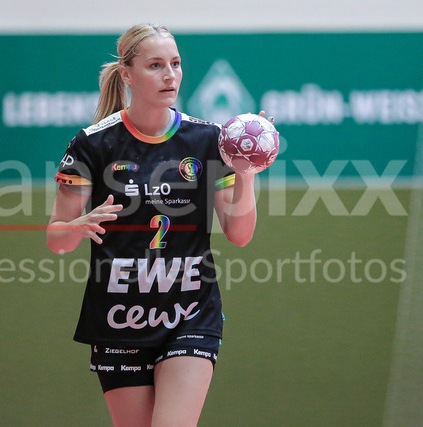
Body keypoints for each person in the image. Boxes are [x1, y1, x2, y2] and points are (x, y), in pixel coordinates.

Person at [47, 23, 261, 427]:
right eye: (156, 65)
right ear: (127, 74)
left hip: (190, 313)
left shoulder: (208, 140)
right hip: (118, 319)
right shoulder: (92, 144)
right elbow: (57, 240)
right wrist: (78, 225)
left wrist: (245, 174)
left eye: (175, 64)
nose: (170, 75)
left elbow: (240, 234)